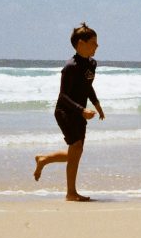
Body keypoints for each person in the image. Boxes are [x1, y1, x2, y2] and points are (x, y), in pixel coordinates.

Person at [33, 23, 105, 201]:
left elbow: (88, 87)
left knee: (76, 151)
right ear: (81, 43)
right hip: (65, 112)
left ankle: (44, 159)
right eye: (94, 42)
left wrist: (97, 105)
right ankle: (70, 193)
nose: (97, 46)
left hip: (79, 112)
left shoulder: (92, 64)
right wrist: (81, 110)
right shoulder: (70, 67)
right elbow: (63, 96)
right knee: (76, 148)